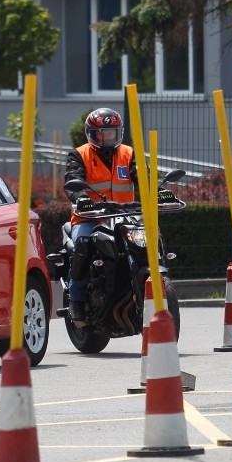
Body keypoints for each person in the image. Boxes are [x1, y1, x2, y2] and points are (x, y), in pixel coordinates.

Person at [64, 108, 138, 325]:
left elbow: (143, 175)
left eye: (112, 133)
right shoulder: (79, 155)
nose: (107, 139)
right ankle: (76, 301)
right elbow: (72, 181)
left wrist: (157, 189)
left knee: (148, 240)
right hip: (89, 218)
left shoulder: (129, 153)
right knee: (83, 243)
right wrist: (82, 198)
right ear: (91, 134)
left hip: (125, 217)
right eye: (101, 134)